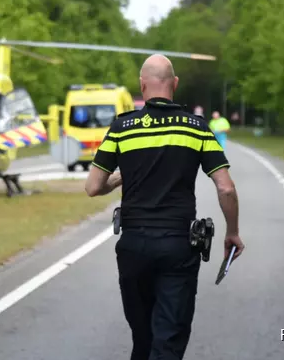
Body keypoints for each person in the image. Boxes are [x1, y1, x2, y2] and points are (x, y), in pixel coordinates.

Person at [84, 54, 245, 360]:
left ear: (142, 85)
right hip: (177, 246)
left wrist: (123, 176)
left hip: (132, 246)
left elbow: (93, 187)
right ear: (175, 84)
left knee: (142, 338)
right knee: (168, 338)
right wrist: (233, 232)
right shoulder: (197, 128)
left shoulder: (122, 128)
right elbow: (225, 187)